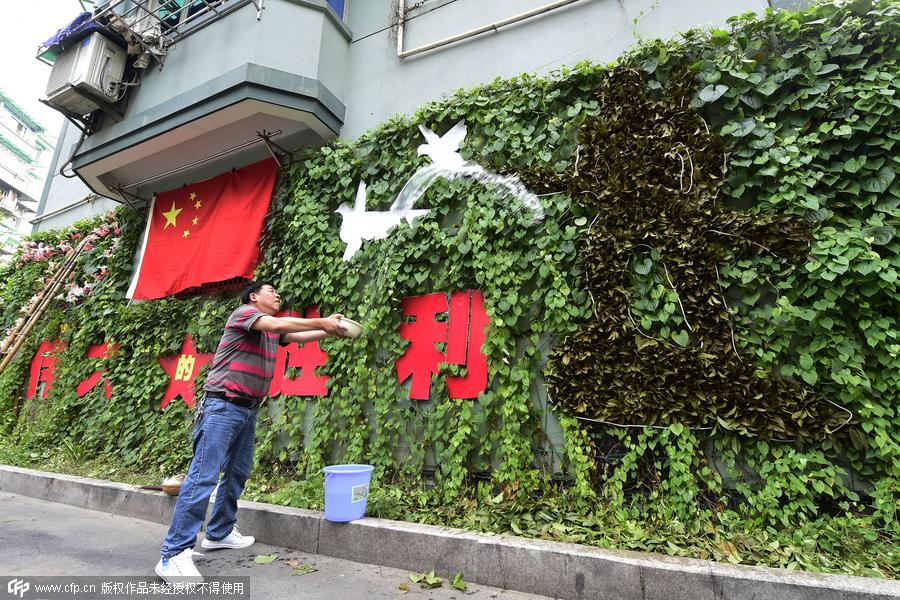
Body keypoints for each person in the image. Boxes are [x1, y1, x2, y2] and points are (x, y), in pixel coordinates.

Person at [155, 281, 347, 583]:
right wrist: (322, 320)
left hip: (247, 408)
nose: (277, 294)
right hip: (222, 405)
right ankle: (172, 555)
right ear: (254, 297)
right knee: (203, 475)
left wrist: (329, 330)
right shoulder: (244, 314)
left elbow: (296, 334)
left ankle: (218, 533)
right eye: (271, 291)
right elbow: (280, 322)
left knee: (238, 471)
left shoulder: (270, 330)